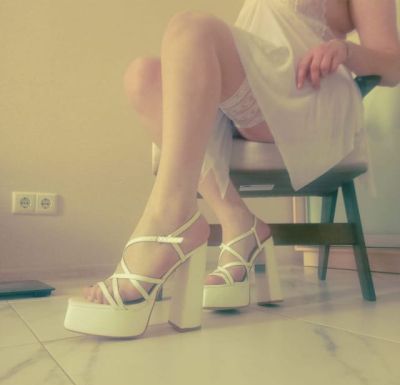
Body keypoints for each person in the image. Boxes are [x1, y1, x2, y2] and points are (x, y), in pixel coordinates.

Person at [64, 0, 400, 337]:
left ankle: (171, 218)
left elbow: (393, 66)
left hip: (309, 91)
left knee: (191, 27)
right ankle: (237, 219)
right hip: (258, 83)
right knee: (143, 75)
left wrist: (345, 51)